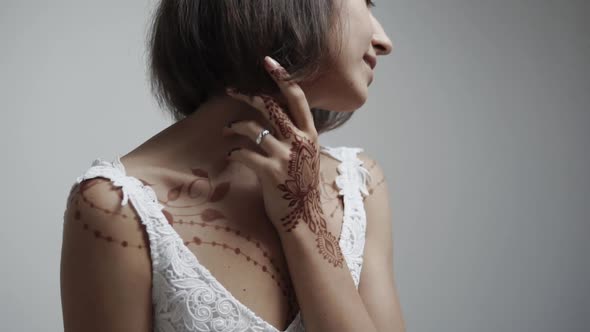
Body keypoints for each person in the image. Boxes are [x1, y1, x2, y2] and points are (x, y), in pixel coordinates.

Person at [60, 0, 405, 331]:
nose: (384, 41)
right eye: (366, 1)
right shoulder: (117, 207)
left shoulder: (358, 185)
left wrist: (303, 218)